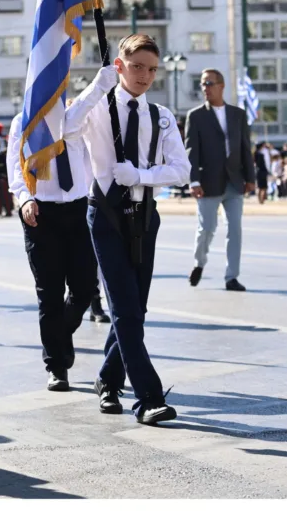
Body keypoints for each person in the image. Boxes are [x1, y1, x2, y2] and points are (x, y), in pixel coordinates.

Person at [67, 34, 191, 425]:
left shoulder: (162, 115)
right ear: (119, 64)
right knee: (123, 306)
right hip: (105, 212)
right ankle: (148, 398)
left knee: (136, 308)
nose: (145, 76)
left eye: (152, 69)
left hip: (144, 214)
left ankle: (107, 379)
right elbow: (66, 129)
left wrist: (138, 174)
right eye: (137, 66)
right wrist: (96, 85)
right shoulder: (99, 107)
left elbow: (181, 170)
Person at [8, 101, 100, 391]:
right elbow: (15, 167)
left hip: (79, 210)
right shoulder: (23, 123)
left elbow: (94, 161)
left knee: (85, 290)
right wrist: (24, 200)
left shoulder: (76, 118)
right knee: (49, 294)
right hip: (40, 213)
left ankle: (60, 336)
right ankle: (56, 367)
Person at [184, 68, 255, 292]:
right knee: (207, 228)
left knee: (235, 230)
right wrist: (193, 181)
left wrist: (251, 177)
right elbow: (191, 151)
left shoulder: (238, 114)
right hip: (207, 184)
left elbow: (245, 147)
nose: (205, 88)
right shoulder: (195, 116)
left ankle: (231, 277)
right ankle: (199, 262)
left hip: (234, 182)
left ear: (221, 86)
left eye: (209, 83)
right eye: (203, 84)